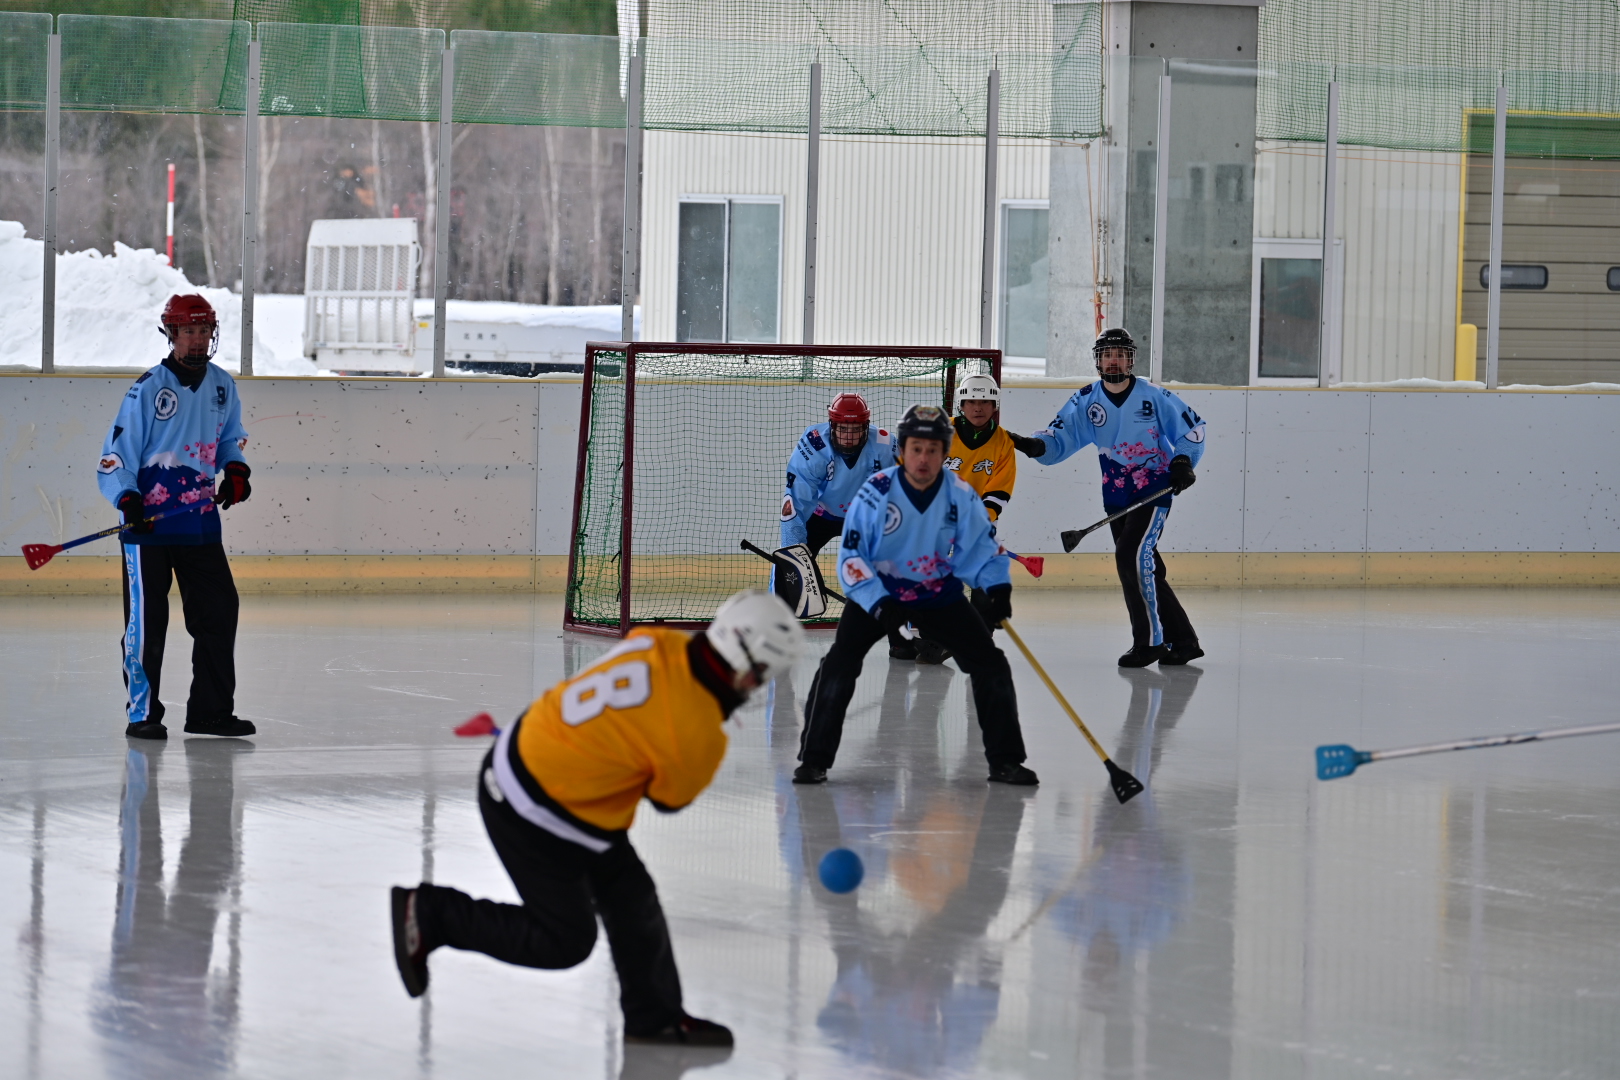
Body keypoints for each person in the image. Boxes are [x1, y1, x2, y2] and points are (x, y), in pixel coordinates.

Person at [390, 591, 806, 1047]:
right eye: (762, 674)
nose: (758, 685)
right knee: (565, 939)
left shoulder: (660, 642)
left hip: (529, 757)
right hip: (534, 806)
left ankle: (655, 1018)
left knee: (631, 894)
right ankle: (431, 914)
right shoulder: (699, 731)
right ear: (745, 664)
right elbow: (668, 800)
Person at [794, 404, 1037, 787]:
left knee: (991, 664)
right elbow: (852, 559)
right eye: (916, 449)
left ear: (945, 452)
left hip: (937, 593)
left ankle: (1005, 761)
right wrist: (879, 602)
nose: (923, 458)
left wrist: (997, 587)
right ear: (902, 450)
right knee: (839, 665)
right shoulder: (874, 494)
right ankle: (814, 759)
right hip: (879, 592)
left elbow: (981, 547)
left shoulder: (960, 495)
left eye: (933, 450)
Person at [98, 294, 255, 740]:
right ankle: (142, 714)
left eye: (204, 331)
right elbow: (114, 458)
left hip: (200, 523)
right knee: (147, 625)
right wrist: (129, 501)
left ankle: (209, 712)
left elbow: (229, 440)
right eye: (188, 331)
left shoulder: (224, 385)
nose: (197, 340)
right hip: (148, 530)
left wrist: (236, 471)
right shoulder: (148, 388)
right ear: (171, 334)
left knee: (219, 613)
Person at [1017, 328, 1206, 667]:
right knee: (1144, 567)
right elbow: (1060, 437)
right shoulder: (1086, 400)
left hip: (1154, 488)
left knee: (1130, 557)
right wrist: (1035, 445)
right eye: (1107, 354)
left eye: (1120, 353)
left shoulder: (1154, 396)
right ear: (1098, 361)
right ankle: (1185, 640)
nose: (1114, 359)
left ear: (1131, 359)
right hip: (1116, 494)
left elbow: (1193, 430)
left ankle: (1149, 643)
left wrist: (1182, 461)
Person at [915, 372, 1044, 663]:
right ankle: (929, 637)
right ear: (961, 403)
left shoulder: (1002, 443)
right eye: (972, 400)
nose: (978, 407)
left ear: (994, 405)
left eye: (985, 402)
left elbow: (1000, 488)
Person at [776, 392, 911, 657]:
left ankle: (901, 641)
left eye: (855, 429)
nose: (849, 436)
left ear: (866, 426)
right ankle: (779, 634)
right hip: (822, 514)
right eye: (842, 429)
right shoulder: (814, 445)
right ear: (831, 425)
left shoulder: (885, 445)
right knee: (787, 568)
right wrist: (796, 554)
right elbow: (796, 502)